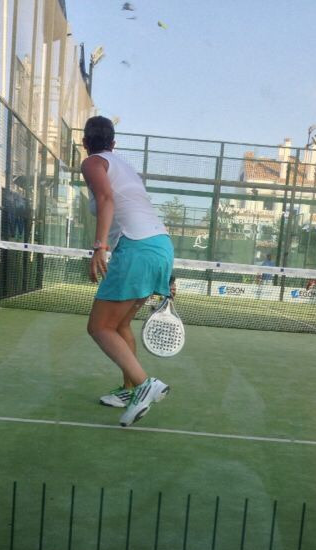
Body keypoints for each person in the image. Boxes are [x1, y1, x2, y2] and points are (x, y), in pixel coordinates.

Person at [81, 116, 174, 426]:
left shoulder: (93, 162)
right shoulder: (125, 167)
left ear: (85, 143)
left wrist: (100, 246)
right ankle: (129, 390)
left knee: (99, 327)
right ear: (113, 143)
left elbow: (106, 198)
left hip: (137, 247)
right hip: (160, 247)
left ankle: (145, 385)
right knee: (120, 325)